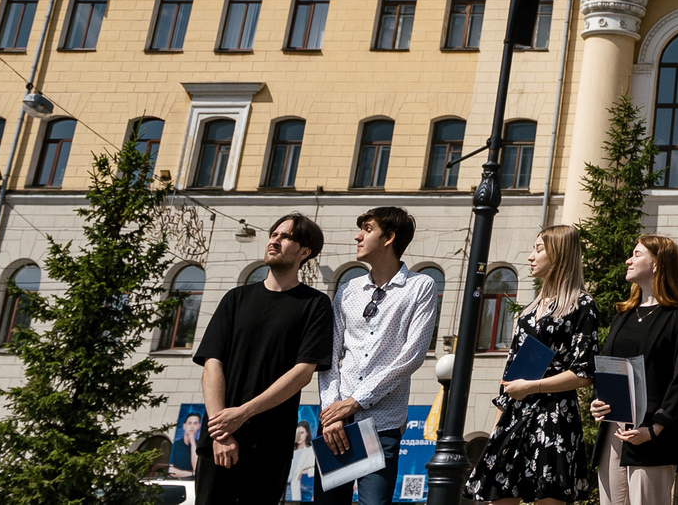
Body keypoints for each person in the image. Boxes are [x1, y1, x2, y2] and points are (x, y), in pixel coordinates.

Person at [196, 214, 337, 505]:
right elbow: (212, 363)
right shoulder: (236, 299)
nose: (274, 240)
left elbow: (302, 373)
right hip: (219, 439)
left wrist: (243, 413)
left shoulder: (315, 305)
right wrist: (222, 431)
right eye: (274, 234)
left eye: (285, 236)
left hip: (269, 444)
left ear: (304, 252)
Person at [318, 207, 442, 505]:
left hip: (381, 423)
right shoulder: (348, 290)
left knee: (373, 503)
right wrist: (332, 411)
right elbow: (329, 356)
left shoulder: (420, 286)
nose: (358, 236)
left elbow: (412, 356)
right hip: (337, 424)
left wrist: (356, 401)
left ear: (389, 238)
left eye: (368, 229)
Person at [469, 225, 600, 505]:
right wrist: (497, 428)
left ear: (560, 256)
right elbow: (509, 375)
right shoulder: (529, 312)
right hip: (515, 414)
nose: (530, 256)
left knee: (548, 497)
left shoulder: (582, 306)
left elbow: (585, 371)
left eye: (539, 249)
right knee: (497, 495)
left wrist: (532, 387)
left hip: (554, 416)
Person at [590, 234, 678, 505]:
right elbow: (607, 367)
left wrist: (655, 428)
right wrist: (597, 401)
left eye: (637, 254)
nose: (629, 260)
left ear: (656, 264)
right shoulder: (622, 316)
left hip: (652, 434)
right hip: (613, 430)